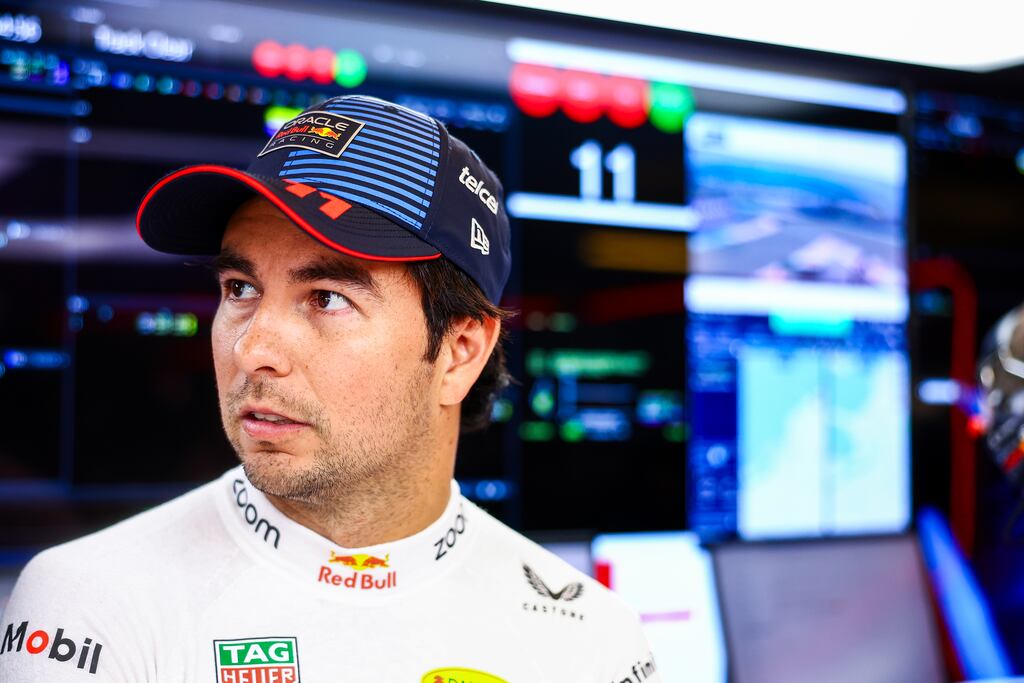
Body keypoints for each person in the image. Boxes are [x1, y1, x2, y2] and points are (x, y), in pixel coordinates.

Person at [0, 94, 659, 682]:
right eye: (241, 289)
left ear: (459, 353)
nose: (252, 347)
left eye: (326, 297)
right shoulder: (87, 605)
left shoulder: (595, 643)